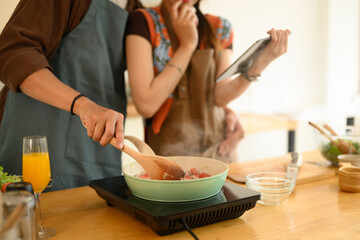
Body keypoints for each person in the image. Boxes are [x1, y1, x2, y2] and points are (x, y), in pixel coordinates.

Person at [0, 0, 143, 191]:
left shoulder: (136, 9)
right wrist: (83, 105)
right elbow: (13, 53)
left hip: (99, 154)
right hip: (45, 143)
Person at [125, 0, 289, 163]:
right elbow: (146, 105)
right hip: (167, 162)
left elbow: (220, 96)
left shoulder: (221, 27)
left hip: (219, 154)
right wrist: (188, 45)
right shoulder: (142, 22)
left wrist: (259, 65)